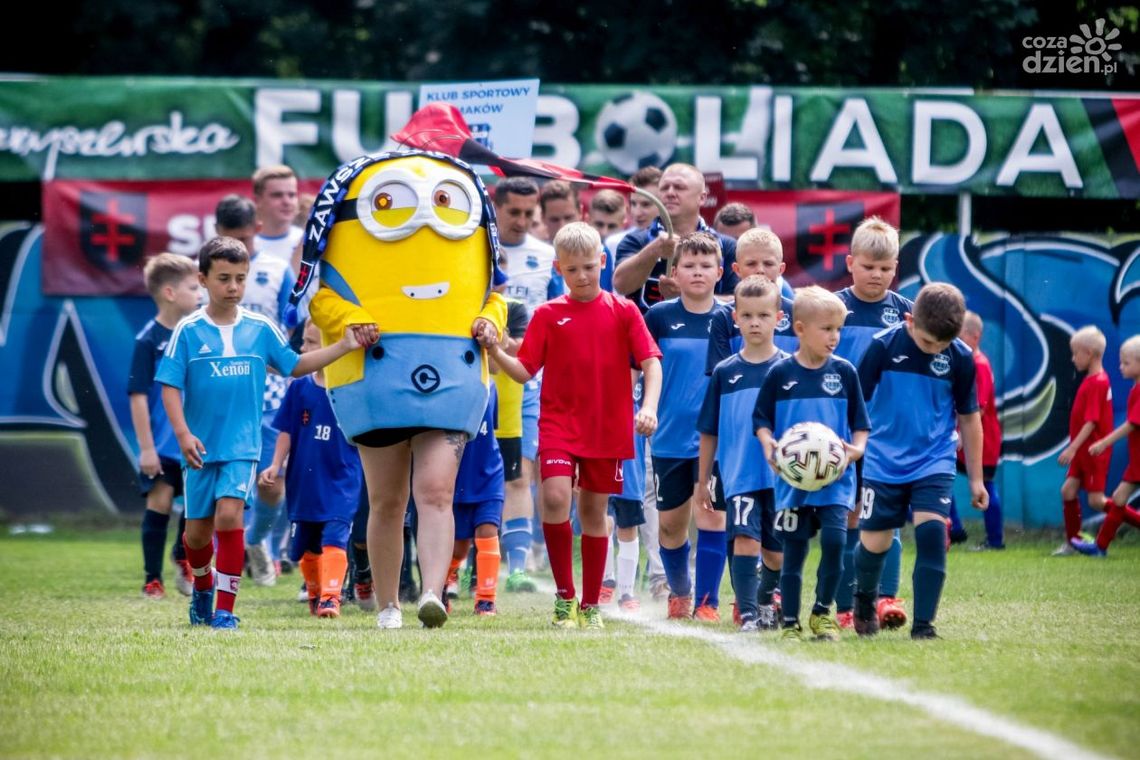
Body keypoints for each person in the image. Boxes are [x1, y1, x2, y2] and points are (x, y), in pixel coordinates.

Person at [157, 237, 375, 629]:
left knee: (229, 516)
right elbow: (170, 384)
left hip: (241, 446)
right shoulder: (188, 330)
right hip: (200, 448)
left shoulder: (260, 329)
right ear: (203, 279)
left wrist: (343, 345)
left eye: (241, 278)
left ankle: (225, 609)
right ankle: (203, 588)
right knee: (196, 536)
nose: (234, 287)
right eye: (224, 278)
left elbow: (295, 365)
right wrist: (183, 433)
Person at [487, 222, 662, 630]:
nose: (582, 276)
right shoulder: (548, 315)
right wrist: (494, 347)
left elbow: (651, 362)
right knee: (553, 497)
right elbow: (524, 369)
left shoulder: (624, 310)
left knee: (594, 512)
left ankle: (589, 605)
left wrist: (648, 406)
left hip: (608, 426)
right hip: (559, 426)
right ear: (557, 269)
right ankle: (565, 599)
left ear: (602, 262)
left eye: (589, 267)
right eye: (572, 270)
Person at [853, 282, 987, 640]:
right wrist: (850, 452)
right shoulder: (882, 346)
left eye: (942, 344)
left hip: (934, 459)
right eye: (928, 342)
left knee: (931, 533)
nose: (935, 349)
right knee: (875, 543)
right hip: (882, 459)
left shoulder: (959, 357)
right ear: (910, 320)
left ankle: (924, 626)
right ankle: (864, 599)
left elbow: (971, 418)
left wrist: (975, 480)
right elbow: (855, 405)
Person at [754, 286, 869, 642]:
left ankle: (822, 612)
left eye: (838, 329)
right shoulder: (779, 373)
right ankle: (790, 621)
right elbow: (761, 420)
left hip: (836, 480)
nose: (834, 337)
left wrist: (856, 450)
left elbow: (861, 424)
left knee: (836, 543)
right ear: (800, 329)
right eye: (826, 329)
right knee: (794, 550)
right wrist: (769, 446)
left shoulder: (846, 372)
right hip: (791, 483)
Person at [644, 232, 730, 621]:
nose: (698, 272)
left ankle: (708, 601)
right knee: (671, 527)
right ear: (674, 273)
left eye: (706, 266)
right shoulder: (660, 316)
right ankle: (680, 591)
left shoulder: (729, 319)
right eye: (689, 266)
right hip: (669, 439)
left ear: (720, 272)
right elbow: (641, 368)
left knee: (713, 516)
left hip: (716, 440)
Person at [832, 216, 912, 631]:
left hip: (888, 438)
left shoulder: (908, 315)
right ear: (850, 263)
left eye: (885, 268)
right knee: (848, 518)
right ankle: (846, 605)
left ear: (895, 268)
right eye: (868, 267)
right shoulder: (834, 309)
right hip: (842, 434)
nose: (877, 275)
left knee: (886, 517)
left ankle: (887, 598)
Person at [697, 275, 788, 631]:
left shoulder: (790, 370)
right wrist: (702, 480)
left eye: (763, 315)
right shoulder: (725, 371)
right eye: (747, 315)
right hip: (739, 476)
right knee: (745, 540)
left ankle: (767, 599)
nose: (754, 322)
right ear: (734, 317)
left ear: (778, 318)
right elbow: (709, 430)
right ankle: (748, 613)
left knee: (776, 553)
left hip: (781, 479)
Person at [213, 194, 295, 586]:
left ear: (257, 230)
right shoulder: (206, 272)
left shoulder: (277, 271)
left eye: (245, 239)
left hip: (270, 395)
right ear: (217, 234)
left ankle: (256, 542)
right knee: (220, 483)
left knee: (271, 482)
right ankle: (216, 563)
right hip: (220, 398)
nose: (240, 247)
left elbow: (292, 328)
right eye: (231, 238)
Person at [258, 320, 363, 618]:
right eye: (304, 342)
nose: (303, 349)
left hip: (343, 478)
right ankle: (316, 592)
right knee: (306, 541)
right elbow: (286, 430)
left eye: (311, 343)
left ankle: (332, 597)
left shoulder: (351, 389)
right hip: (304, 480)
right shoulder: (299, 388)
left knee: (335, 534)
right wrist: (276, 465)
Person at [493, 178, 564, 591]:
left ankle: (517, 567)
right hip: (480, 380)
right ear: (497, 207)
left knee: (521, 475)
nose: (521, 221)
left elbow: (559, 310)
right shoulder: (476, 249)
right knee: (475, 477)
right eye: (513, 212)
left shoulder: (546, 256)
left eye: (528, 214)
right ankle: (470, 562)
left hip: (529, 382)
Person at [129, 253, 201, 599]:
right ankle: (152, 578)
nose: (200, 292)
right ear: (170, 293)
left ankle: (182, 555)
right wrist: (146, 448)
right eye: (193, 286)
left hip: (196, 439)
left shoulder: (200, 333)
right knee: (159, 503)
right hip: (162, 444)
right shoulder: (148, 340)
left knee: (198, 506)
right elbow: (138, 395)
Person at [612, 163, 738, 312]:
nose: (670, 193)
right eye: (664, 188)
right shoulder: (637, 240)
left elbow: (738, 301)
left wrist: (688, 296)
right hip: (648, 334)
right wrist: (654, 250)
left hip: (706, 335)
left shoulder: (725, 245)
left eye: (679, 187)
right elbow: (620, 285)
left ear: (702, 198)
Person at [1072, 335, 1140, 556]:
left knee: (1117, 498)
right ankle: (1100, 547)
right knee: (1119, 498)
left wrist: (1104, 442)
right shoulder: (1134, 389)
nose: (1120, 367)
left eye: (1126, 363)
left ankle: (1099, 546)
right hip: (1136, 461)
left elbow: (1131, 424)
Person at [1053, 326, 1117, 554]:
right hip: (1083, 453)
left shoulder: (1098, 382)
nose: (1072, 358)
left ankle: (1132, 518)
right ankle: (1073, 542)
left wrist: (1072, 448)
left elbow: (1091, 422)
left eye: (1075, 353)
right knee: (1068, 491)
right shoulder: (1091, 380)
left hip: (1093, 453)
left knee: (1097, 501)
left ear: (1089, 353)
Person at [446, 384, 506, 615]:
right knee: (459, 549)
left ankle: (486, 599)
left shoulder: (492, 387)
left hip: (489, 473)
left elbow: (491, 431)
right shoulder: (451, 385)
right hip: (457, 477)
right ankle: (443, 583)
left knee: (488, 531)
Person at [706, 228, 798, 372]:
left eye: (768, 264)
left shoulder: (798, 313)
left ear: (781, 269)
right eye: (751, 264)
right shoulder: (723, 317)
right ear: (736, 269)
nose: (760, 270)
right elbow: (720, 377)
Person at [955, 311, 1005, 551]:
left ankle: (995, 540)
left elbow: (978, 409)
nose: (955, 337)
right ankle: (953, 528)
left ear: (975, 337)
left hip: (983, 439)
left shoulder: (979, 365)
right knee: (940, 474)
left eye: (960, 333)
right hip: (967, 436)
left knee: (986, 483)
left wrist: (962, 434)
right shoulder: (968, 362)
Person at [252, 165, 303, 271]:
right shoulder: (245, 245)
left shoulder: (309, 242)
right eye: (277, 195)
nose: (287, 202)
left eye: (292, 195)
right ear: (258, 200)